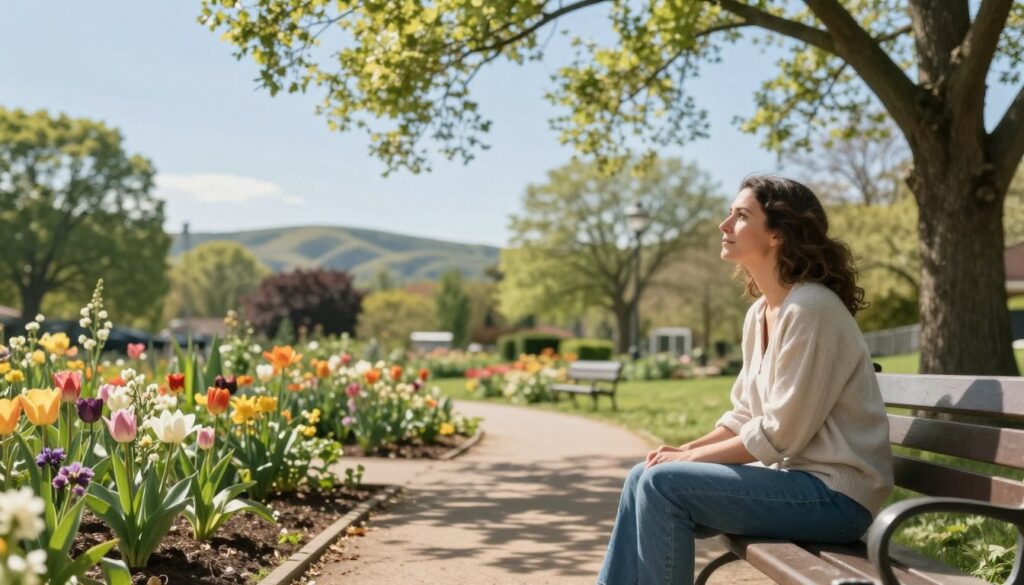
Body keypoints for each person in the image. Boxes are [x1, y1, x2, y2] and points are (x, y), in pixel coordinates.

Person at [597, 175, 894, 585]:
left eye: (740, 216)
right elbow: (744, 414)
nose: (724, 225)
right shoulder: (761, 313)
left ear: (777, 234)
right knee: (641, 475)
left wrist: (685, 461)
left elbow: (780, 435)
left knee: (664, 485)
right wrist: (688, 448)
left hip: (835, 500)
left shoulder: (811, 309)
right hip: (795, 486)